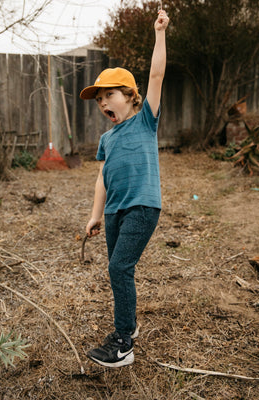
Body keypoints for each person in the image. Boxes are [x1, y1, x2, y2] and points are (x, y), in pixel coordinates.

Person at [79, 8, 169, 368]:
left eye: (110, 95)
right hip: (115, 211)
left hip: (142, 206)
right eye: (99, 99)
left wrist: (159, 33)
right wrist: (95, 214)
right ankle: (126, 329)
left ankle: (123, 343)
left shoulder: (146, 119)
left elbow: (158, 73)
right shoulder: (106, 138)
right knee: (120, 270)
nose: (103, 103)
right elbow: (102, 178)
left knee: (118, 268)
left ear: (131, 96)